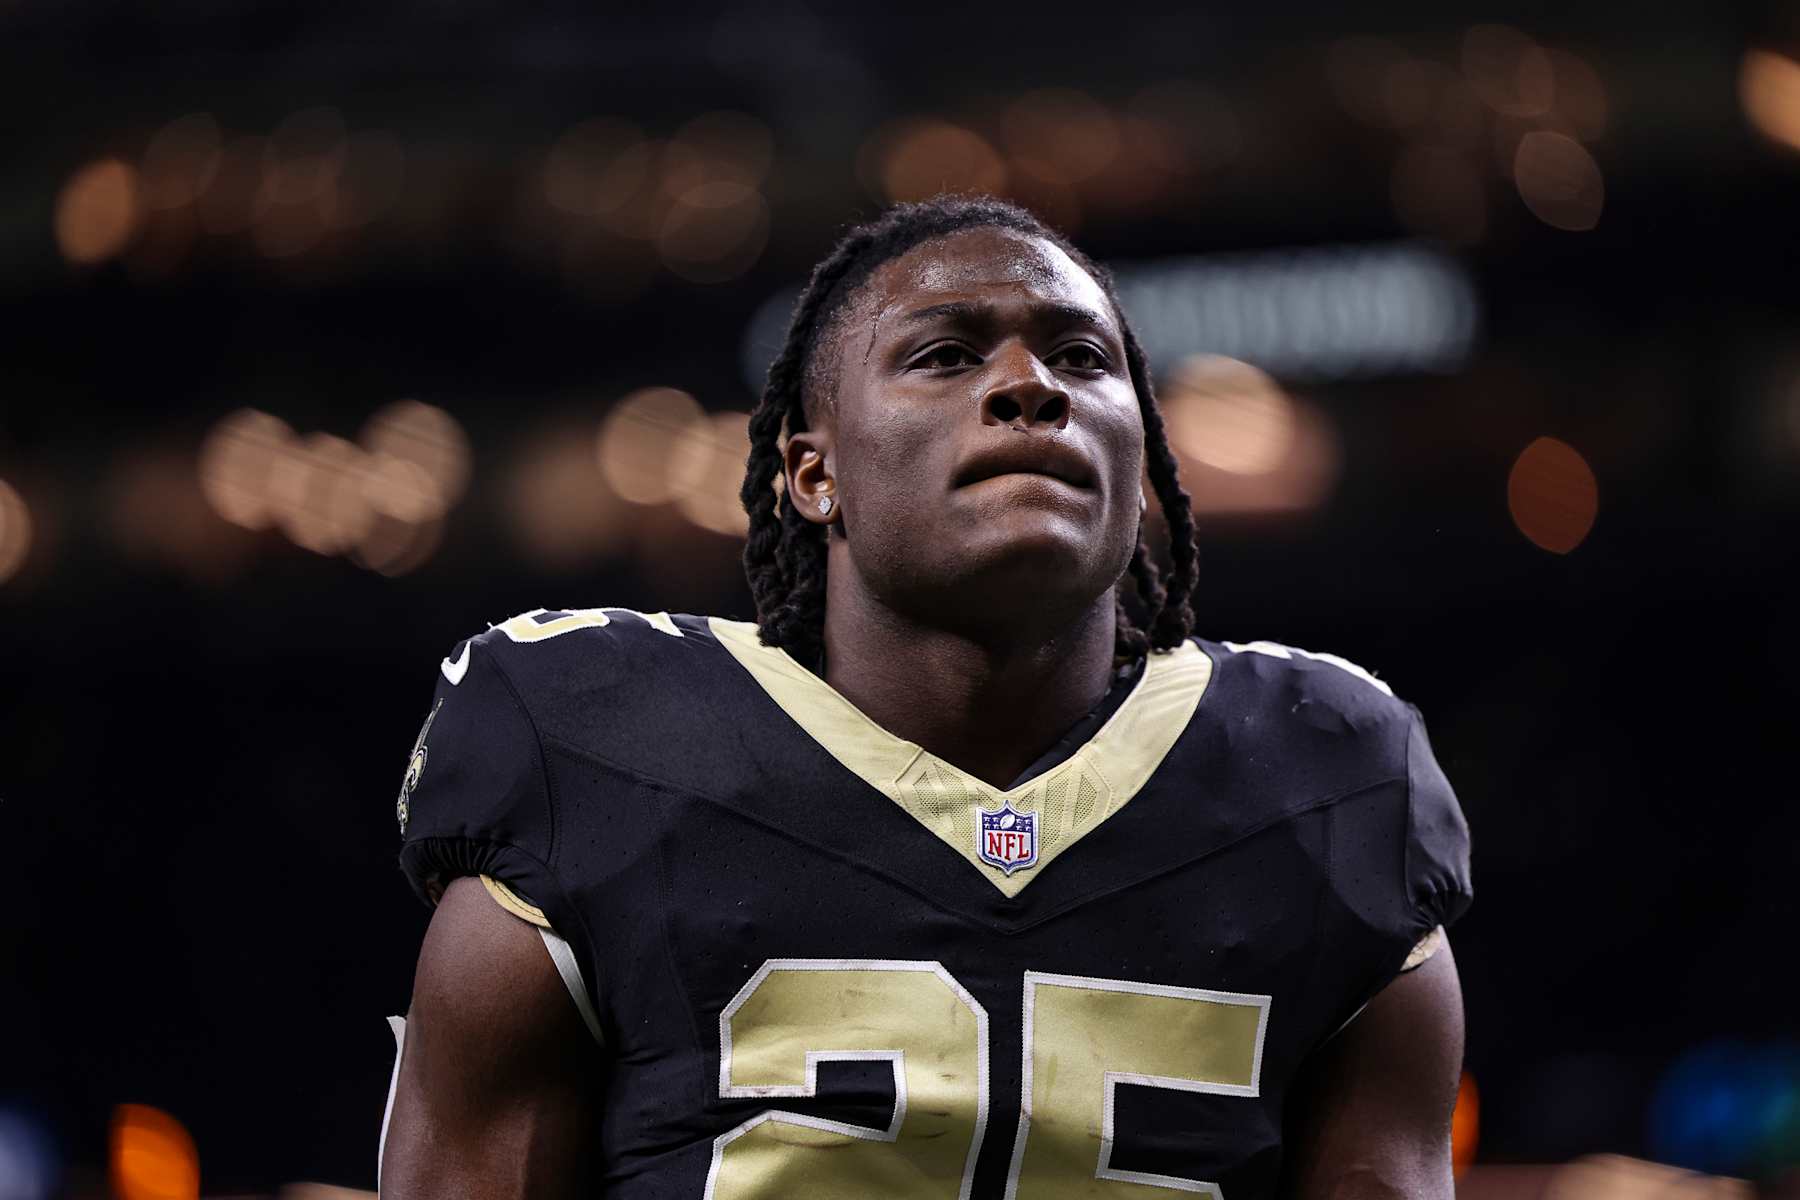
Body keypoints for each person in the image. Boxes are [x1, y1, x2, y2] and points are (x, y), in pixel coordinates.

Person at [379, 195, 1473, 1199]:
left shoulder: (1329, 774)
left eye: (1082, 357)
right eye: (945, 355)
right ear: (814, 475)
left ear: (1141, 471)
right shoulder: (592, 740)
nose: (1031, 386)